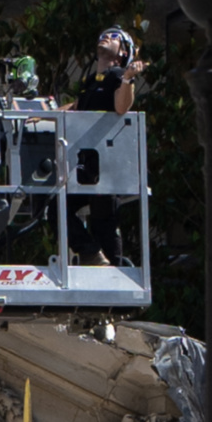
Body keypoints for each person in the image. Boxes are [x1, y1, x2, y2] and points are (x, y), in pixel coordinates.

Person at [60, 26, 146, 264]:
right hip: (86, 166)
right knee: (56, 209)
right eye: (105, 34)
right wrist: (38, 115)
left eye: (115, 37)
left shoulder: (118, 76)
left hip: (107, 166)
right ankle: (91, 254)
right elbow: (76, 107)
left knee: (103, 224)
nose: (106, 37)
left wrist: (128, 78)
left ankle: (112, 272)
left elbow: (121, 107)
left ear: (122, 52)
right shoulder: (90, 81)